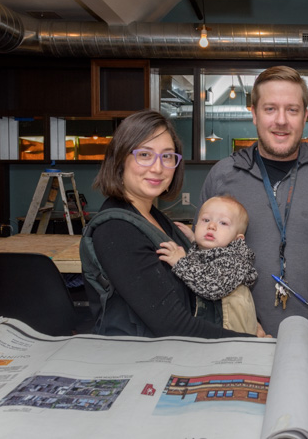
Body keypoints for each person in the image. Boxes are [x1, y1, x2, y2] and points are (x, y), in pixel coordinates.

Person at [200, 65, 308, 355]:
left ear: (305, 116)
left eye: (292, 109)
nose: (281, 121)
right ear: (253, 114)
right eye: (270, 109)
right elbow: (202, 258)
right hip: (236, 343)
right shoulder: (222, 176)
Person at [79, 110, 252, 339]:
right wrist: (249, 343)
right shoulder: (117, 231)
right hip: (138, 360)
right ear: (120, 160)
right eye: (144, 154)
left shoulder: (157, 219)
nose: (158, 168)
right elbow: (173, 326)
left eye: (167, 156)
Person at [156, 195, 259, 335]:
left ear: (237, 239)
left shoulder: (236, 261)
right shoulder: (214, 251)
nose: (211, 226)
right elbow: (207, 259)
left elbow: (212, 286)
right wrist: (193, 239)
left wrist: (181, 262)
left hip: (232, 337)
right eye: (205, 220)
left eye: (223, 223)